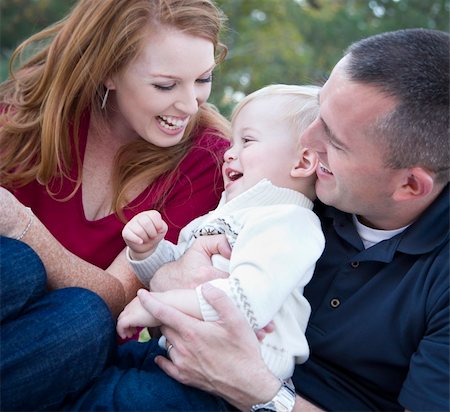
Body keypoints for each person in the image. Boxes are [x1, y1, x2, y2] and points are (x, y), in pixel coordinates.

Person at [70, 28, 449, 411]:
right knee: (70, 322)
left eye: (334, 140)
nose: (308, 139)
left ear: (410, 185)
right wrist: (171, 272)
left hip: (230, 396)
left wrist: (258, 392)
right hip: (174, 362)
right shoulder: (295, 188)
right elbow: (188, 271)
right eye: (320, 110)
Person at [0, 0, 232, 410]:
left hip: (57, 351)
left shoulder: (206, 161)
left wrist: (21, 225)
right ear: (107, 71)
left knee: (85, 318)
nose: (190, 105)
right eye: (166, 85)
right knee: (15, 267)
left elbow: (120, 300)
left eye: (203, 79)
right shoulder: (29, 118)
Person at [117, 84, 325, 381]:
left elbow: (247, 301)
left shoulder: (290, 222)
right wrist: (148, 251)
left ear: (303, 161)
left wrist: (158, 307)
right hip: (180, 354)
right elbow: (174, 276)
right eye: (232, 143)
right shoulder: (223, 214)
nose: (229, 154)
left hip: (232, 373)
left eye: (247, 141)